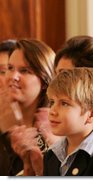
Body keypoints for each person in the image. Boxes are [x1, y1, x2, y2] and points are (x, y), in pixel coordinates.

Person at [0, 39, 58, 176]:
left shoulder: (55, 129)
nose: (13, 76)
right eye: (10, 68)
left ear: (44, 82)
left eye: (24, 71)